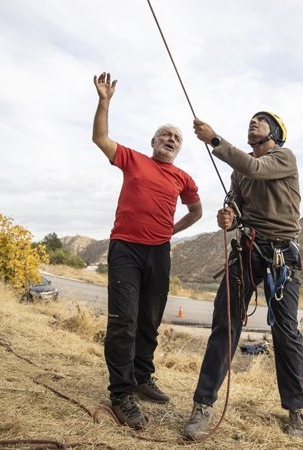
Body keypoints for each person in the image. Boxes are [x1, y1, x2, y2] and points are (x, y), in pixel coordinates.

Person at [182, 111, 303, 440]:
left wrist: (213, 138)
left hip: (282, 254)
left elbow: (255, 168)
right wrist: (230, 217)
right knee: (226, 322)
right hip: (248, 248)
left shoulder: (283, 157)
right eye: (251, 119)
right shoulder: (241, 171)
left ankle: (297, 409)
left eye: (261, 120)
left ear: (276, 132)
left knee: (285, 331)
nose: (253, 122)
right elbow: (236, 206)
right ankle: (203, 406)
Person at [92, 72, 203, 430]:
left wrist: (172, 230)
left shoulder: (182, 177)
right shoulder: (133, 159)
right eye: (166, 135)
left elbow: (196, 212)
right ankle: (121, 393)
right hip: (126, 247)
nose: (171, 139)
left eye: (177, 138)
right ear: (153, 141)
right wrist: (104, 101)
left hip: (159, 253)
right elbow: (100, 137)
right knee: (124, 320)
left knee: (149, 322)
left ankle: (141, 376)